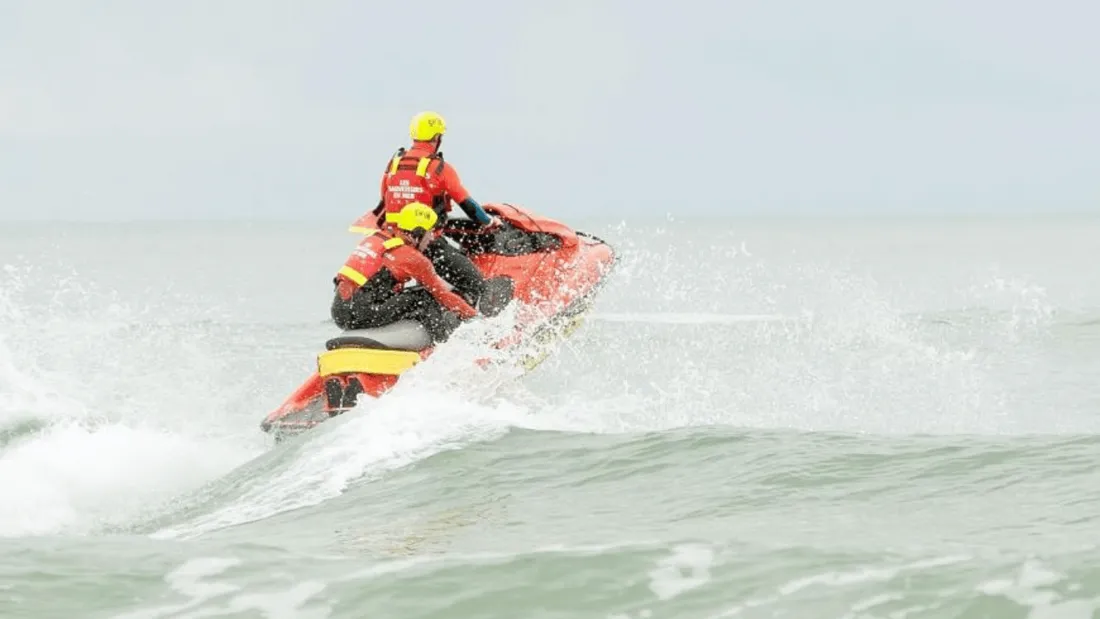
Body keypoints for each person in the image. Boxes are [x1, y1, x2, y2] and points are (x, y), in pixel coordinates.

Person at [366, 111, 498, 307]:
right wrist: (489, 222)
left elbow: (384, 202)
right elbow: (469, 207)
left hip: (391, 242)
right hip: (428, 244)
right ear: (437, 137)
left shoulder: (394, 165)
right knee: (476, 284)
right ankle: (463, 320)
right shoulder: (440, 168)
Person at [331, 202, 479, 343]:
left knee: (405, 293)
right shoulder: (414, 259)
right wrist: (474, 317)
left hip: (339, 312)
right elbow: (443, 296)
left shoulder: (376, 238)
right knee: (425, 297)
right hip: (360, 314)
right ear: (418, 233)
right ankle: (441, 346)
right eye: (430, 232)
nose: (432, 238)